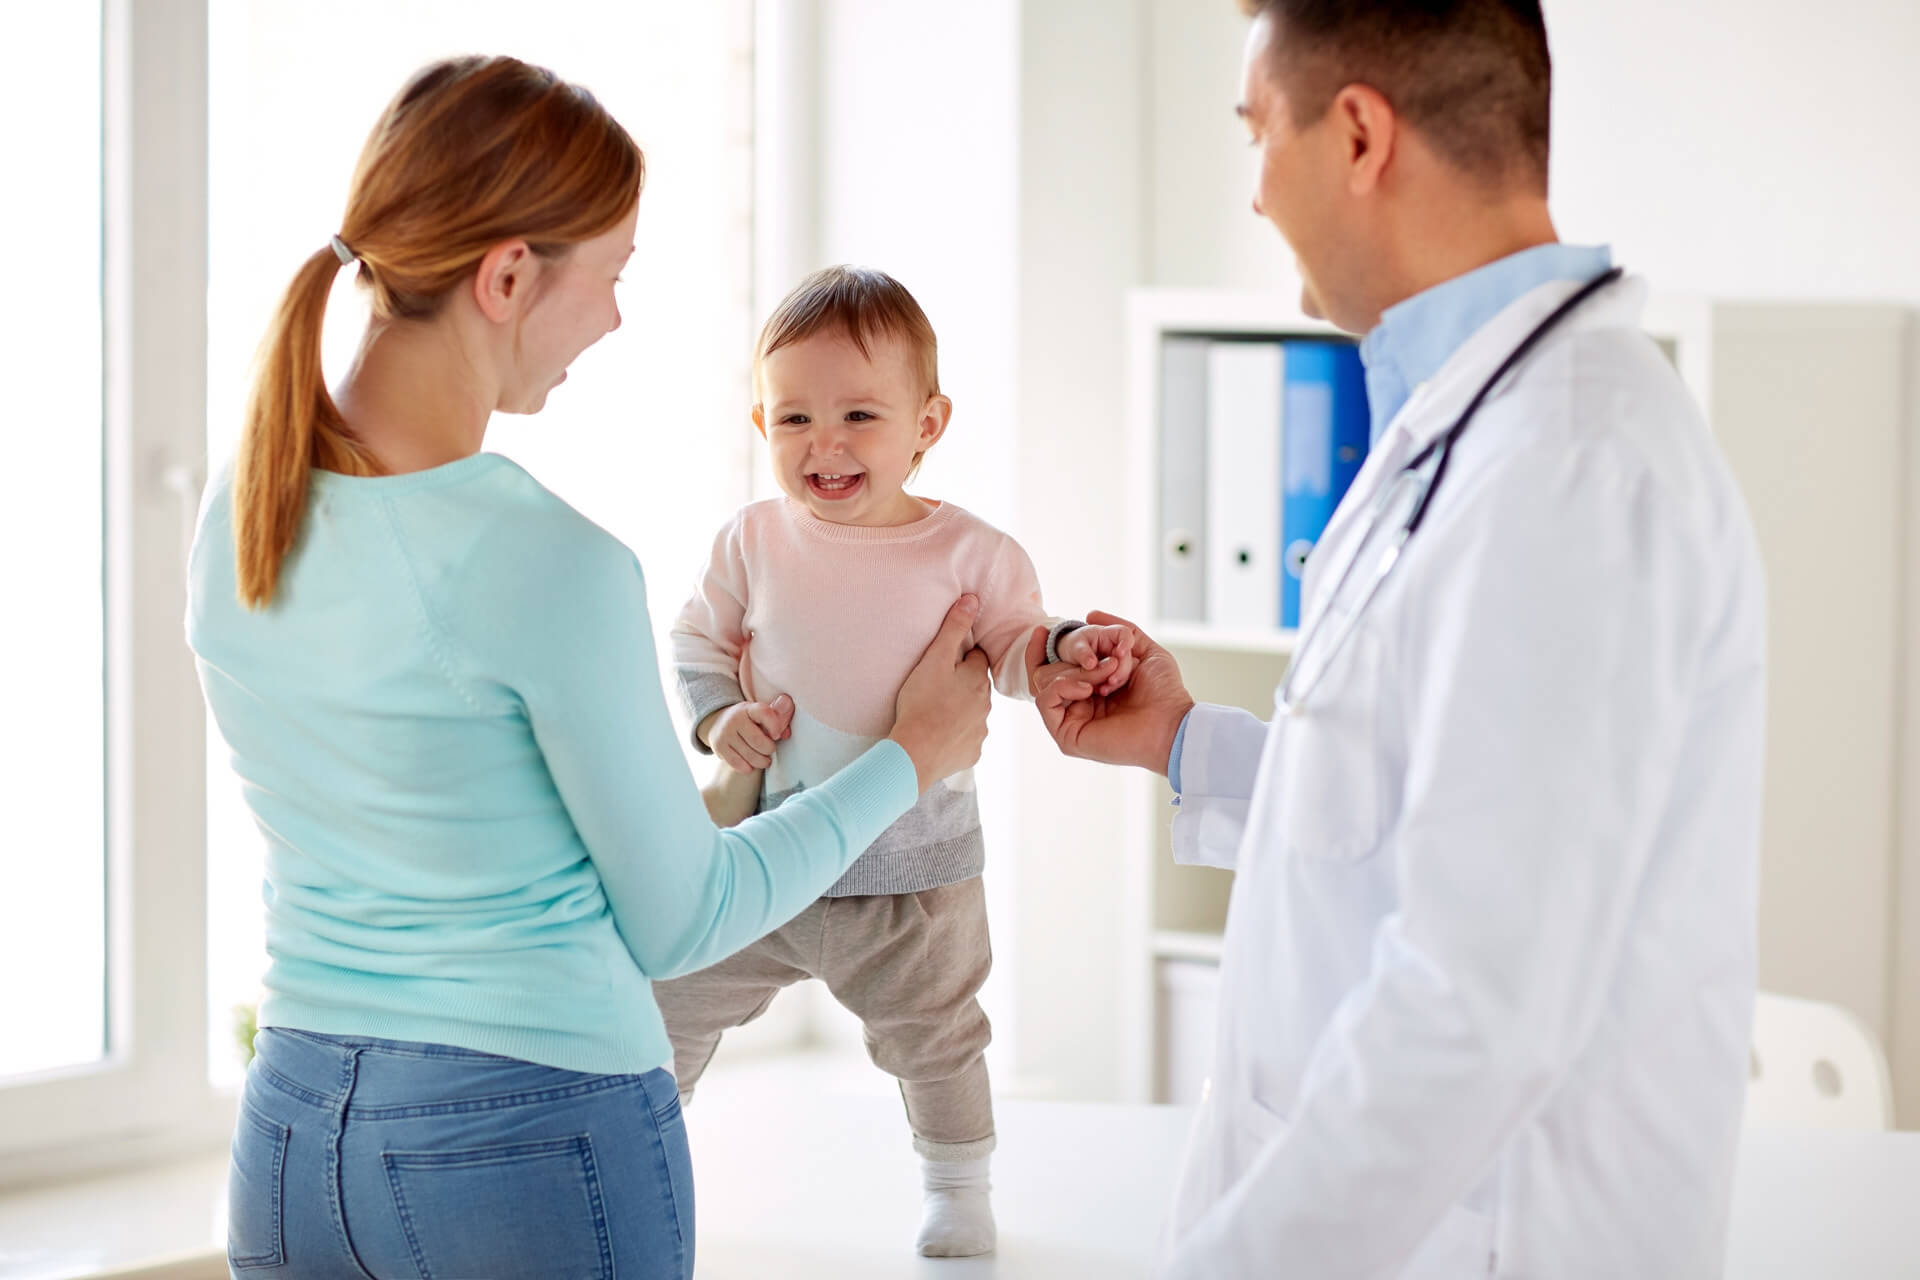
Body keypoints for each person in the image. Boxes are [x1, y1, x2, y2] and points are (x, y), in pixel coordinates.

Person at [187, 57, 991, 1280]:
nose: (614, 317)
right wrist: (909, 757)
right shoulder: (543, 561)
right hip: (524, 1134)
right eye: (610, 275)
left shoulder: (241, 505)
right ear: (508, 275)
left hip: (293, 1131)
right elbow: (687, 922)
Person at [1024, 2, 1767, 1277]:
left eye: (1258, 133)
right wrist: (1187, 742)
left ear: (1359, 133)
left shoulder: (1572, 463)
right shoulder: (1463, 420)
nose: (1254, 194)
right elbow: (1417, 813)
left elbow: (1476, 1003)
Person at [656, 264, 1137, 1258]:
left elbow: (1011, 645)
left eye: (858, 414)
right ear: (759, 426)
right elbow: (698, 643)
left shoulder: (969, 552)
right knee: (667, 998)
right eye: (793, 420)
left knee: (938, 1031)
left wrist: (1061, 647)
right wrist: (719, 721)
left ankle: (959, 1182)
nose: (823, 444)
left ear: (928, 422)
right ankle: (641, 1155)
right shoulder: (751, 540)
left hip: (914, 871)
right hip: (767, 855)